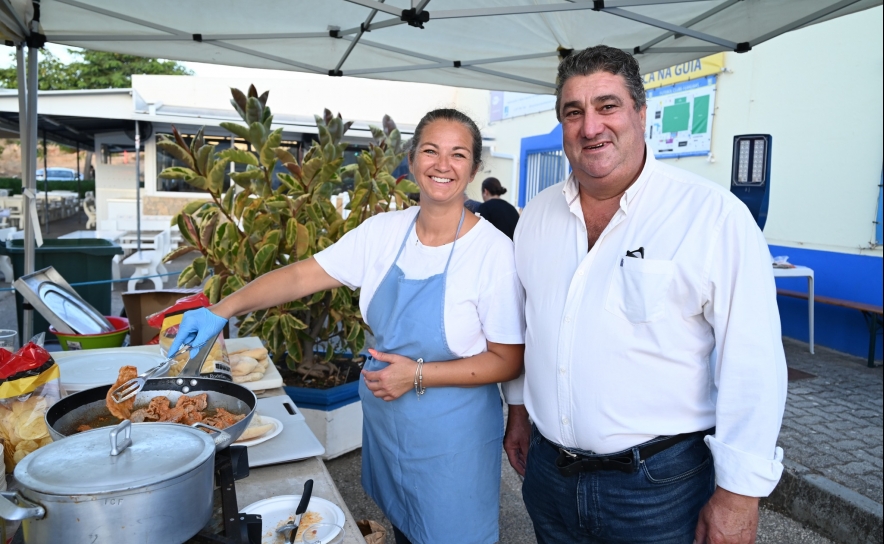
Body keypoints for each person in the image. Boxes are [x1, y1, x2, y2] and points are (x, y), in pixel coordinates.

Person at [170, 108, 525, 544]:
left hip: (453, 438)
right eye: (430, 151)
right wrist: (221, 310)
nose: (442, 165)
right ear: (412, 160)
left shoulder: (493, 252)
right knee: (405, 527)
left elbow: (508, 360)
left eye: (458, 154)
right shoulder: (383, 232)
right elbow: (302, 275)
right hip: (388, 419)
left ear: (474, 168)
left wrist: (416, 375)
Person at [502, 45, 787, 544]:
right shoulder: (537, 216)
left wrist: (739, 496)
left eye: (607, 106)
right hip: (549, 476)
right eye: (574, 112)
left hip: (658, 489)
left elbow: (755, 365)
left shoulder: (713, 216)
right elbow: (534, 327)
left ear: (640, 111)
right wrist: (519, 411)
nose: (590, 127)